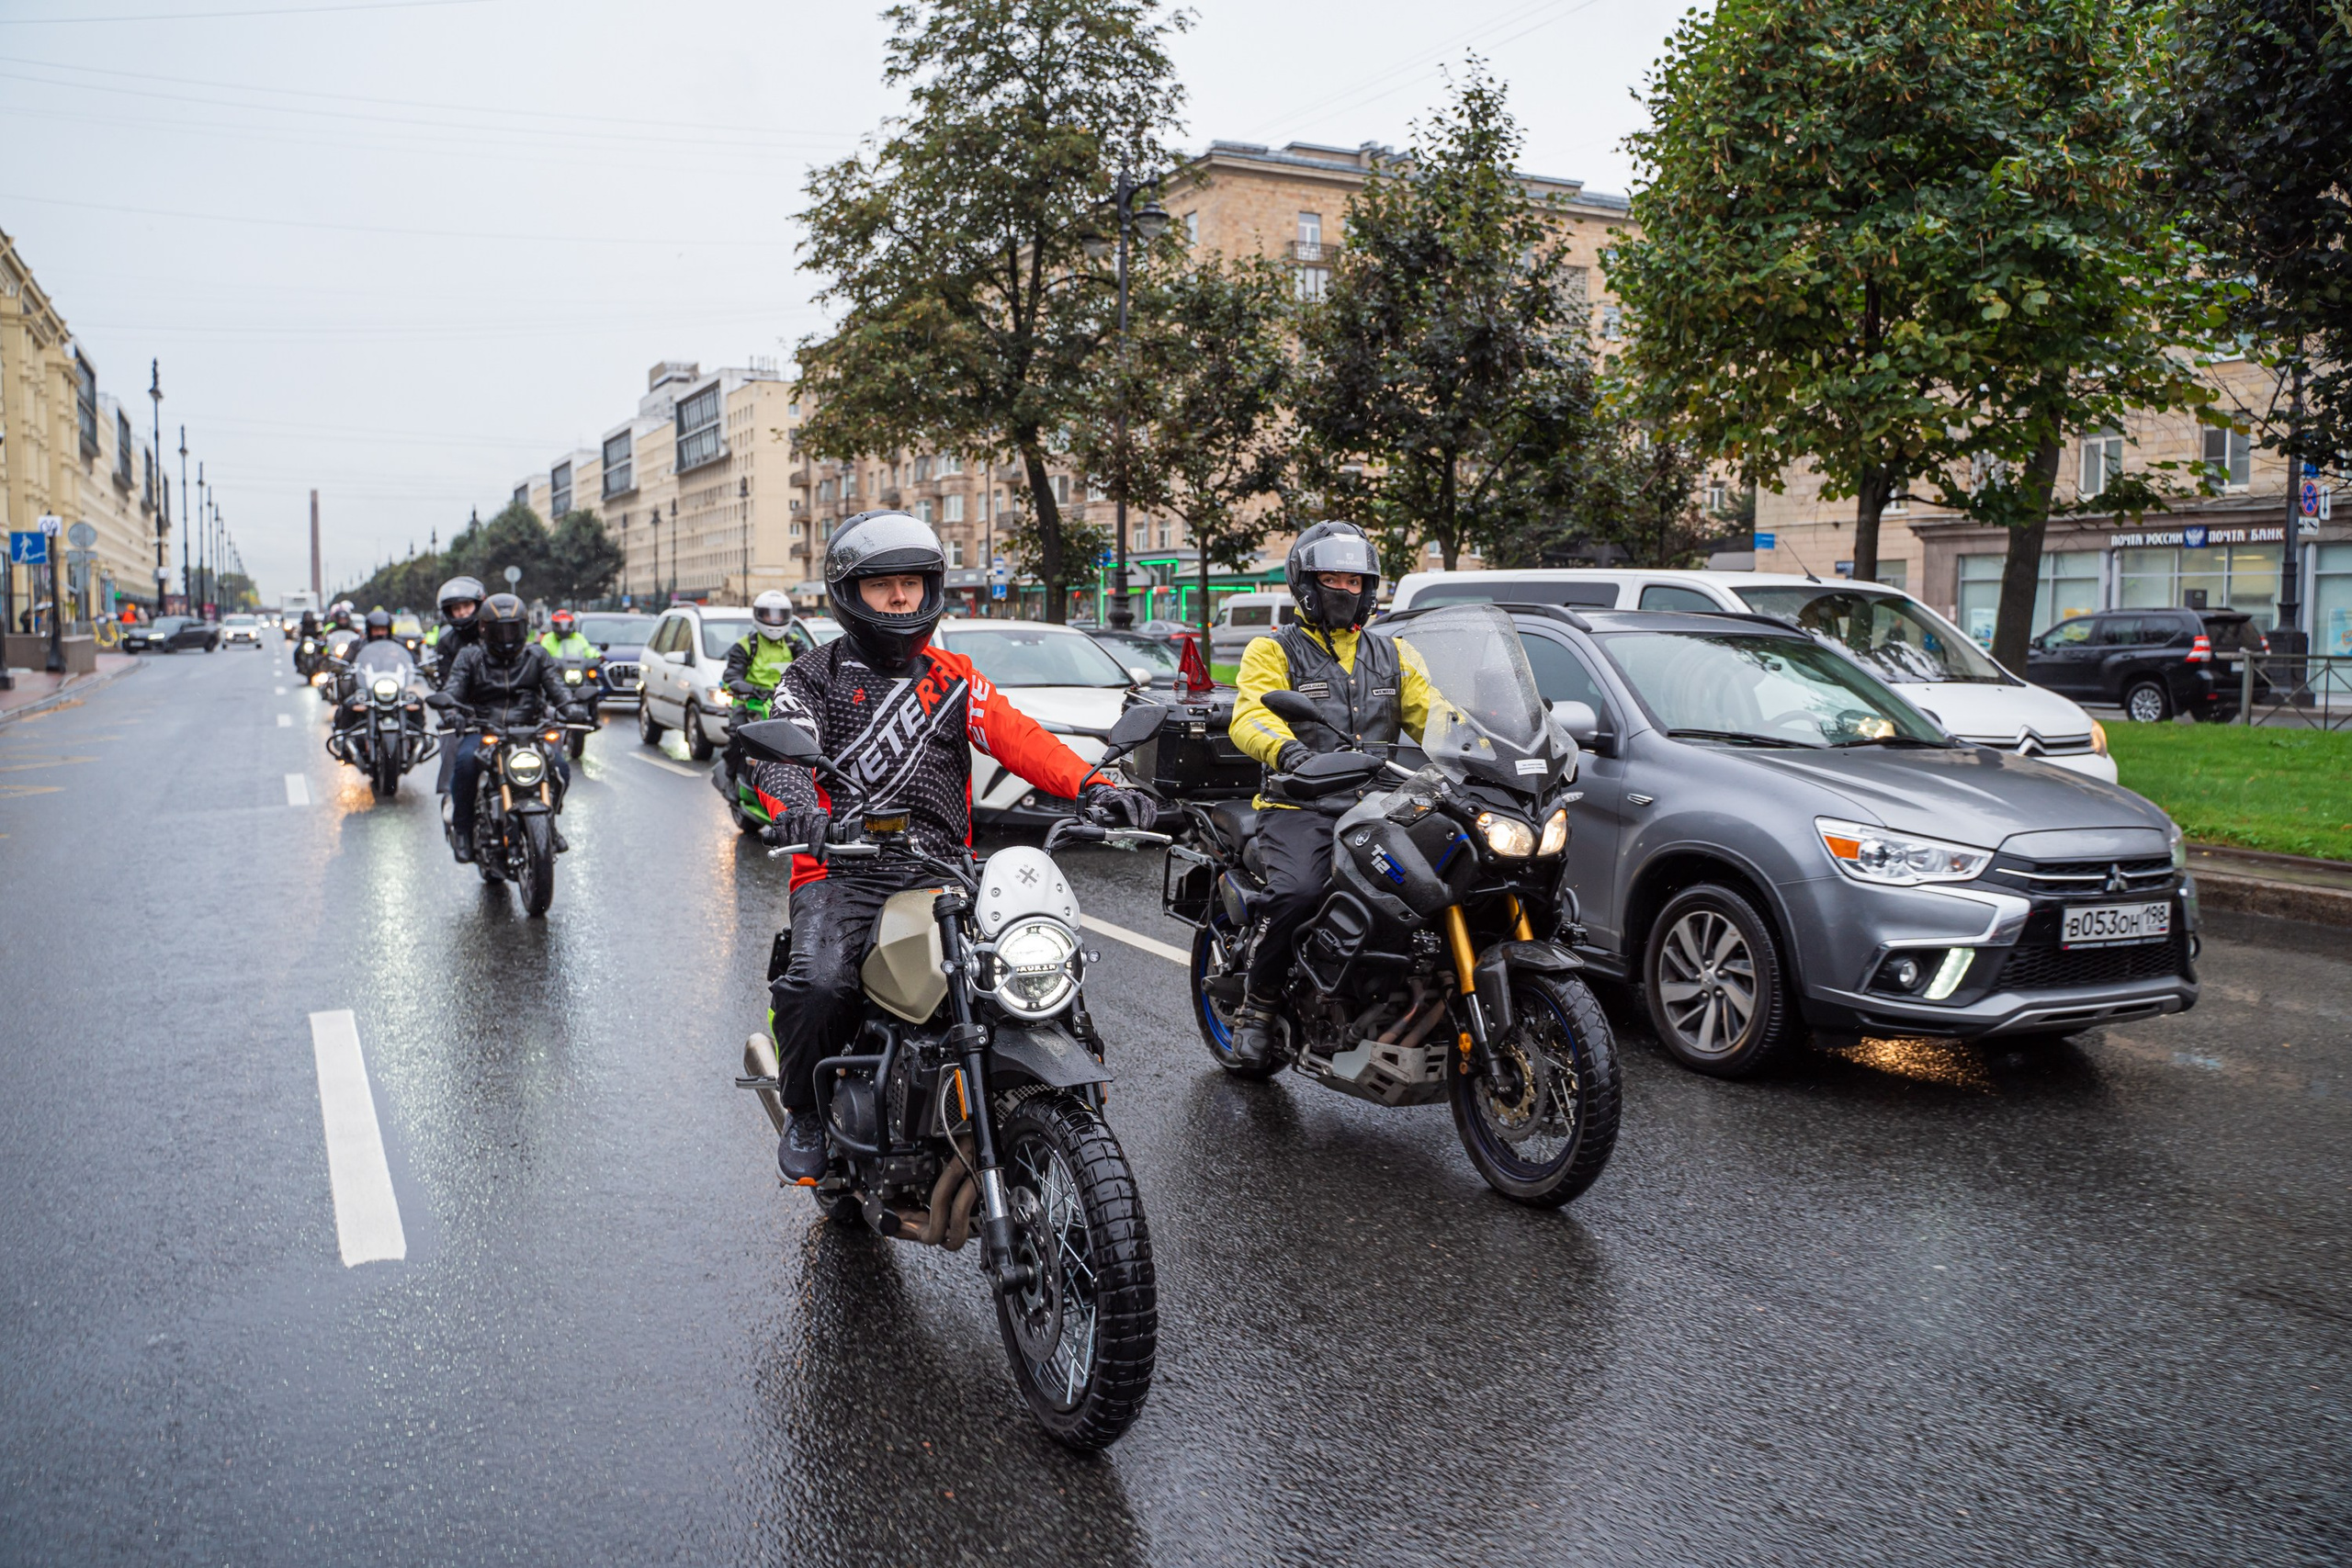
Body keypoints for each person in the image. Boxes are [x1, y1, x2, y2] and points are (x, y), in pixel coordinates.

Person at [749, 511, 1158, 1184]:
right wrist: (797, 811)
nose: (901, 598)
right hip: (842, 868)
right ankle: (806, 1109)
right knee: (821, 981)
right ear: (851, 594)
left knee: (1027, 961)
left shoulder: (953, 677)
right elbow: (784, 758)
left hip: (942, 869)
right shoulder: (810, 677)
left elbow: (1018, 736)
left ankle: (1058, 1089)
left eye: (911, 582)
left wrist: (1092, 783)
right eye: (884, 586)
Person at [1223, 521, 1435, 1068]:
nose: (1347, 590)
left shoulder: (1395, 655)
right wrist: (1290, 753)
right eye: (1334, 578)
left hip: (1381, 804)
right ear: (1307, 584)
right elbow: (1250, 715)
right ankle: (1259, 1006)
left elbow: (1440, 716)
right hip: (1301, 804)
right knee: (1298, 895)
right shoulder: (1272, 649)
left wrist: (1490, 744)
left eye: (1356, 580)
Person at [439, 593, 582, 863]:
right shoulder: (471, 657)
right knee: (466, 763)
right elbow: (452, 689)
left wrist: (571, 707)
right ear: (484, 629)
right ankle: (463, 831)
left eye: (512, 628)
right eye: (499, 630)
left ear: (524, 627)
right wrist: (451, 712)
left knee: (560, 768)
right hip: (484, 729)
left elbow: (557, 686)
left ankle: (549, 823)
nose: (506, 636)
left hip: (530, 730)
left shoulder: (536, 655)